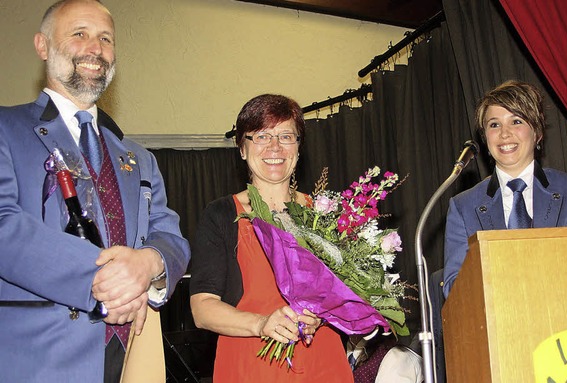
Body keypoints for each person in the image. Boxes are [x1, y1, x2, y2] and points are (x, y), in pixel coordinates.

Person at [0, 1, 190, 382]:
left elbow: (170, 236)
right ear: (42, 46)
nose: (95, 48)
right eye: (79, 34)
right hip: (38, 360)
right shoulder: (5, 128)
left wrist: (149, 263)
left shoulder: (138, 156)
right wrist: (110, 280)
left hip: (132, 357)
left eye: (106, 38)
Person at [190, 94, 353, 382]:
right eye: (262, 136)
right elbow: (203, 309)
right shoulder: (220, 215)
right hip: (250, 365)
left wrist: (325, 314)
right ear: (242, 148)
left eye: (286, 136)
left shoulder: (325, 214)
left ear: (299, 148)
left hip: (323, 364)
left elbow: (351, 296)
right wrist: (262, 323)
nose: (275, 147)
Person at [442, 80, 567, 298]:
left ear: (537, 133)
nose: (504, 133)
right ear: (485, 138)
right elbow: (454, 288)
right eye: (494, 124)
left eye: (516, 121)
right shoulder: (463, 207)